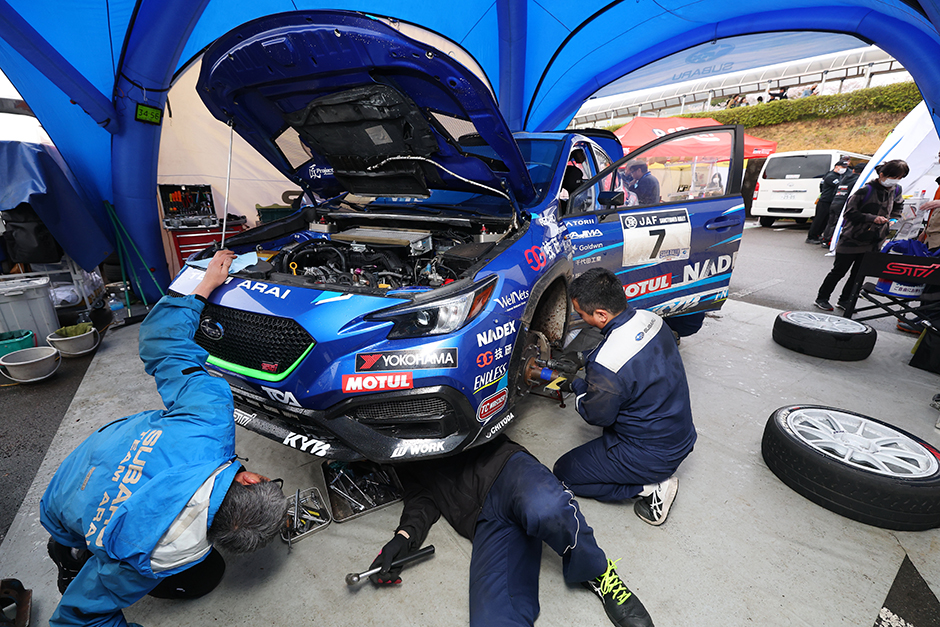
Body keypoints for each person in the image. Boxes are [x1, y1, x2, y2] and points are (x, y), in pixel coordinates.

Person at [40, 249, 289, 627]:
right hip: (81, 513)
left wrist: (204, 286)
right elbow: (77, 620)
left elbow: (162, 343)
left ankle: (67, 548)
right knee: (205, 576)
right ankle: (74, 553)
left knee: (193, 572)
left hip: (63, 493)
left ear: (252, 480)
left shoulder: (208, 420)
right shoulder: (149, 555)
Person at [370, 435, 654, 627]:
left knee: (547, 508)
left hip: (506, 470)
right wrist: (403, 539)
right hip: (485, 521)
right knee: (492, 620)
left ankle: (596, 572)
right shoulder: (393, 449)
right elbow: (420, 499)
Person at [553, 268, 696, 526]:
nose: (580, 318)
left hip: (651, 454)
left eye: (581, 314)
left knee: (564, 473)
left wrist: (575, 384)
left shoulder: (606, 367)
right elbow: (628, 353)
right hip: (679, 434)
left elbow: (597, 415)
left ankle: (650, 489)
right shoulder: (651, 319)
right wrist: (584, 357)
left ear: (601, 314)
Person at [815, 159, 909, 311]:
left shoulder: (896, 190)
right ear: (882, 174)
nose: (895, 181)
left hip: (874, 240)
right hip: (852, 239)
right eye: (893, 177)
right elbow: (849, 213)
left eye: (899, 177)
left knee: (858, 274)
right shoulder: (865, 190)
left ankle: (845, 300)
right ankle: (822, 298)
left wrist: (893, 219)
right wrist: (872, 218)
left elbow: (898, 206)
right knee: (838, 271)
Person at [821, 161, 865, 246]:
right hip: (843, 204)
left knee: (831, 222)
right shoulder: (858, 181)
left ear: (853, 170)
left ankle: (826, 240)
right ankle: (832, 241)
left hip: (835, 201)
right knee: (839, 223)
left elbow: (835, 190)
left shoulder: (844, 178)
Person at [807, 160, 848, 243]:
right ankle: (811, 237)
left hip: (831, 201)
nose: (844, 169)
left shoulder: (840, 176)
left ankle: (818, 235)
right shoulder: (831, 176)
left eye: (845, 167)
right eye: (842, 167)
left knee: (825, 220)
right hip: (824, 201)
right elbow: (838, 185)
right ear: (837, 167)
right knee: (819, 220)